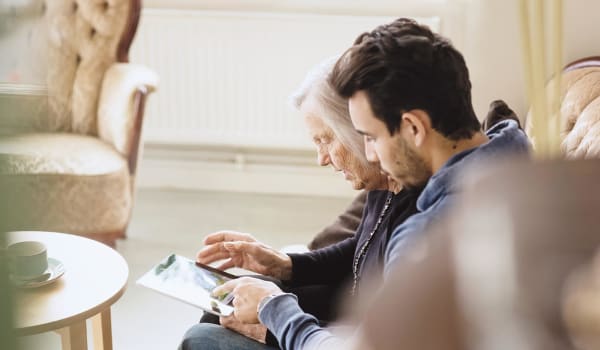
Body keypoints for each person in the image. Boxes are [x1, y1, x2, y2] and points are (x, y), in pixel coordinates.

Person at [187, 18, 531, 350]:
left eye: (369, 137)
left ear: (413, 127)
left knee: (201, 339)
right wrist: (287, 267)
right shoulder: (512, 153)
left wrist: (275, 312)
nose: (372, 155)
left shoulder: (425, 234)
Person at [179, 57, 421, 349]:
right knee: (227, 301)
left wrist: (269, 329)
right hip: (343, 316)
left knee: (200, 339)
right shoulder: (384, 182)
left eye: (325, 140)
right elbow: (360, 249)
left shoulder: (418, 218)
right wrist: (285, 264)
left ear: (359, 128)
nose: (322, 159)